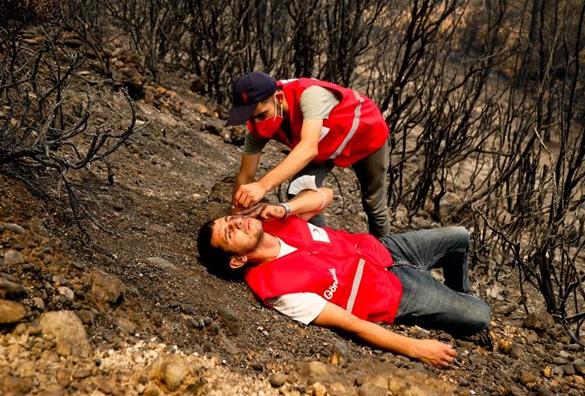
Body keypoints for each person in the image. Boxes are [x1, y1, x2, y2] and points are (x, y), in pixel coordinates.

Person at [196, 188, 491, 367]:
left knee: (460, 237)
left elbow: (325, 196)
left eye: (230, 219)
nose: (236, 222)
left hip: (383, 250)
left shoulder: (273, 221)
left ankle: (454, 294)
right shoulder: (276, 289)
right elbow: (352, 325)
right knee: (480, 315)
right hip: (395, 294)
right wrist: (416, 348)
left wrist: (284, 208)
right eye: (230, 232)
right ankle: (448, 303)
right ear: (237, 260)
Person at [224, 72, 391, 237]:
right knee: (298, 192)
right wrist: (236, 215)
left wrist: (262, 186)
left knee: (373, 203)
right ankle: (320, 243)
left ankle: (388, 253)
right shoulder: (260, 123)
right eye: (251, 118)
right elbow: (246, 175)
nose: (257, 124)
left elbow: (308, 148)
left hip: (366, 136)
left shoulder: (311, 94)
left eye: (262, 115)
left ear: (279, 99)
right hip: (324, 143)